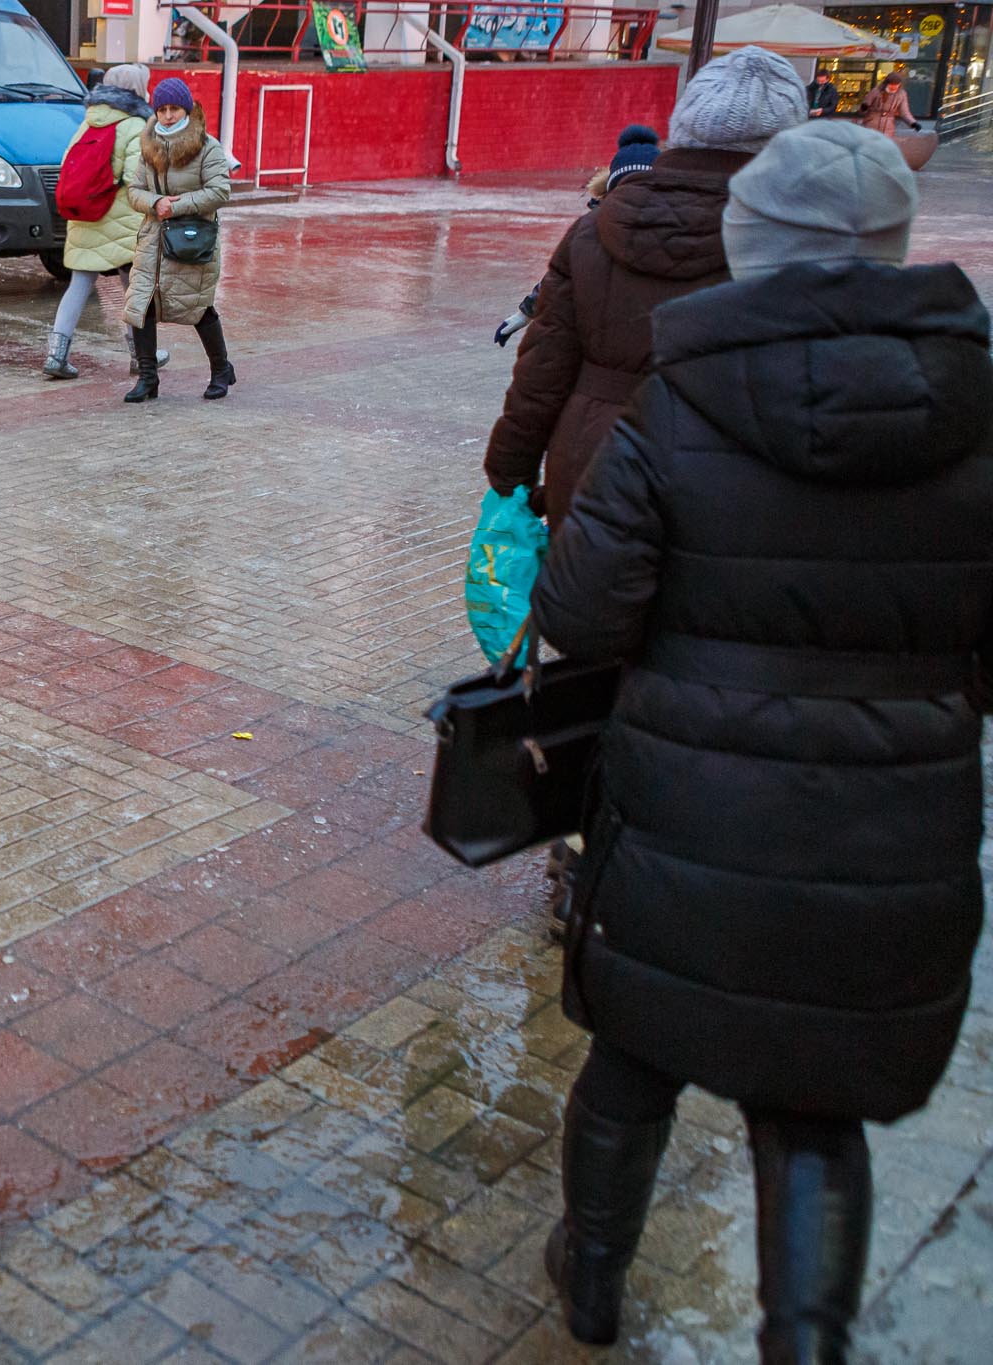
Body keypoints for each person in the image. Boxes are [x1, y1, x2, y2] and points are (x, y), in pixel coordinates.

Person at [531, 120, 992, 1361]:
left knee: (632, 1062)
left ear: (748, 247)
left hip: (687, 813)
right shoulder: (978, 411)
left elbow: (576, 616)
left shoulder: (678, 403)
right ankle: (805, 1339)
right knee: (812, 1110)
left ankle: (587, 1280)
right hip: (892, 833)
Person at [483, 45, 807, 532]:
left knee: (584, 602)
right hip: (727, 485)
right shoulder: (797, 239)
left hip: (589, 469)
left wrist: (510, 477)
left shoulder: (593, 231)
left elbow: (544, 369)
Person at [43, 64, 166, 382]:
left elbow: (67, 164)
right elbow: (134, 178)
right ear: (138, 89)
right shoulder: (136, 125)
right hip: (121, 222)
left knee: (79, 284)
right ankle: (141, 355)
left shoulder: (88, 123)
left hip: (85, 217)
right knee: (133, 290)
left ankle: (56, 354)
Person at [494, 125, 662, 348]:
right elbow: (561, 276)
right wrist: (525, 313)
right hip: (602, 345)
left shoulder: (675, 228)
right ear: (612, 191)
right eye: (628, 188)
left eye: (646, 187)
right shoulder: (591, 229)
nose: (637, 197)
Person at [123, 78, 235, 403]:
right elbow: (134, 191)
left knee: (198, 307)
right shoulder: (149, 145)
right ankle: (148, 379)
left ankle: (221, 369)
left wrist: (175, 205)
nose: (168, 116)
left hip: (191, 240)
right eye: (162, 109)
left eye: (174, 109)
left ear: (186, 109)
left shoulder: (207, 146)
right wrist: (154, 203)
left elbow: (220, 191)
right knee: (141, 306)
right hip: (153, 241)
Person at [858, 68, 921, 136]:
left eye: (896, 86)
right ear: (886, 84)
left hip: (887, 127)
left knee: (884, 144)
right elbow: (863, 108)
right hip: (871, 124)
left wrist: (913, 123)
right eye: (891, 86)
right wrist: (864, 108)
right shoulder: (876, 91)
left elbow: (904, 112)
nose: (893, 88)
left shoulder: (901, 94)